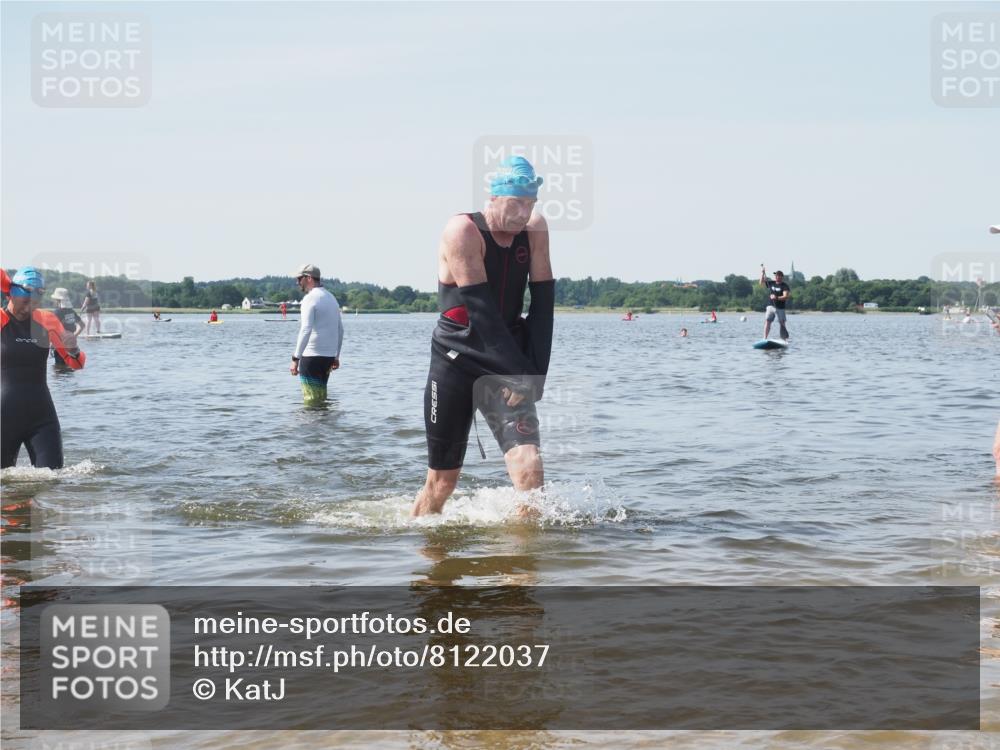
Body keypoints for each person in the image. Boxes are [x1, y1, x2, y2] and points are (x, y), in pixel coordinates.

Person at [412, 155, 554, 517]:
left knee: (530, 466)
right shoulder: (462, 232)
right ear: (493, 197)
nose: (524, 213)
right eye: (516, 203)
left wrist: (534, 376)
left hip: (506, 356)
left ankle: (522, 568)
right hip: (455, 362)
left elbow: (542, 304)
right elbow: (483, 314)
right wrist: (520, 374)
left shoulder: (535, 230)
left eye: (530, 203)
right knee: (443, 482)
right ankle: (425, 552)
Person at [1, 267, 86, 469]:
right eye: (26, 301)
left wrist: (73, 348)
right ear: (12, 294)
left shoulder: (46, 320)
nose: (30, 307)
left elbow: (77, 363)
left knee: (53, 478)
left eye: (36, 302)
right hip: (3, 416)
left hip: (41, 417)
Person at [289, 264, 343, 406]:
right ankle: (323, 428)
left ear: (309, 278)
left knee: (311, 401)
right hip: (328, 358)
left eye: (299, 279)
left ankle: (310, 428)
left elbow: (306, 329)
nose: (297, 283)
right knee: (321, 398)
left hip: (311, 357)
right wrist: (336, 356)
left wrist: (296, 358)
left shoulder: (310, 299)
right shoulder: (331, 298)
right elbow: (340, 329)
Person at [49, 288, 85, 367]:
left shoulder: (57, 312)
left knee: (59, 370)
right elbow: (82, 325)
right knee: (70, 367)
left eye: (55, 299)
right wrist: (74, 336)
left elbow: (52, 330)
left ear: (58, 300)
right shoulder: (71, 311)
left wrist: (52, 344)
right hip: (72, 346)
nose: (54, 301)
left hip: (60, 345)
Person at [759, 267, 791, 340]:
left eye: (779, 275)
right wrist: (763, 273)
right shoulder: (771, 283)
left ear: (781, 277)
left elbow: (785, 296)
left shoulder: (784, 286)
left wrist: (776, 297)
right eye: (776, 275)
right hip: (770, 306)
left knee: (782, 323)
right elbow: (761, 283)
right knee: (768, 321)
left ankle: (784, 340)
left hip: (780, 307)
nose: (777, 277)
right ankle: (765, 338)